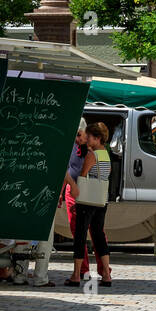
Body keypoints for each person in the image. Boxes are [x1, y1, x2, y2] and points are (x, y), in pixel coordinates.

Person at [67, 122, 113, 287]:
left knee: (80, 235)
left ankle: (76, 275)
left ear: (97, 138)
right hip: (102, 200)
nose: (87, 139)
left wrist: (77, 199)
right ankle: (106, 274)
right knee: (99, 235)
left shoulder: (92, 155)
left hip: (88, 201)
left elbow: (83, 176)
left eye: (90, 137)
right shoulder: (106, 154)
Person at [61, 118, 90, 279]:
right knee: (76, 231)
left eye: (80, 135)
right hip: (71, 191)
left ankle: (84, 270)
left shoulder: (90, 149)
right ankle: (82, 269)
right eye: (76, 135)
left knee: (84, 231)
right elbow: (66, 169)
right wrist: (62, 192)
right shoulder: (72, 145)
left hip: (84, 192)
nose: (78, 139)